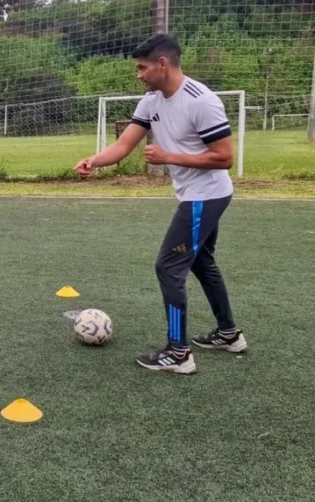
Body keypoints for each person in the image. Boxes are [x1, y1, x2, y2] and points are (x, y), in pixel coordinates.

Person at [73, 34, 247, 375]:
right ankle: (229, 334)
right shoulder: (151, 101)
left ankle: (179, 353)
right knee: (200, 262)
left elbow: (224, 157)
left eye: (142, 67)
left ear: (163, 64)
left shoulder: (201, 101)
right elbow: (124, 145)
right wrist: (93, 160)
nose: (138, 75)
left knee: (168, 266)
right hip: (196, 193)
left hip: (206, 195)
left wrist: (169, 157)